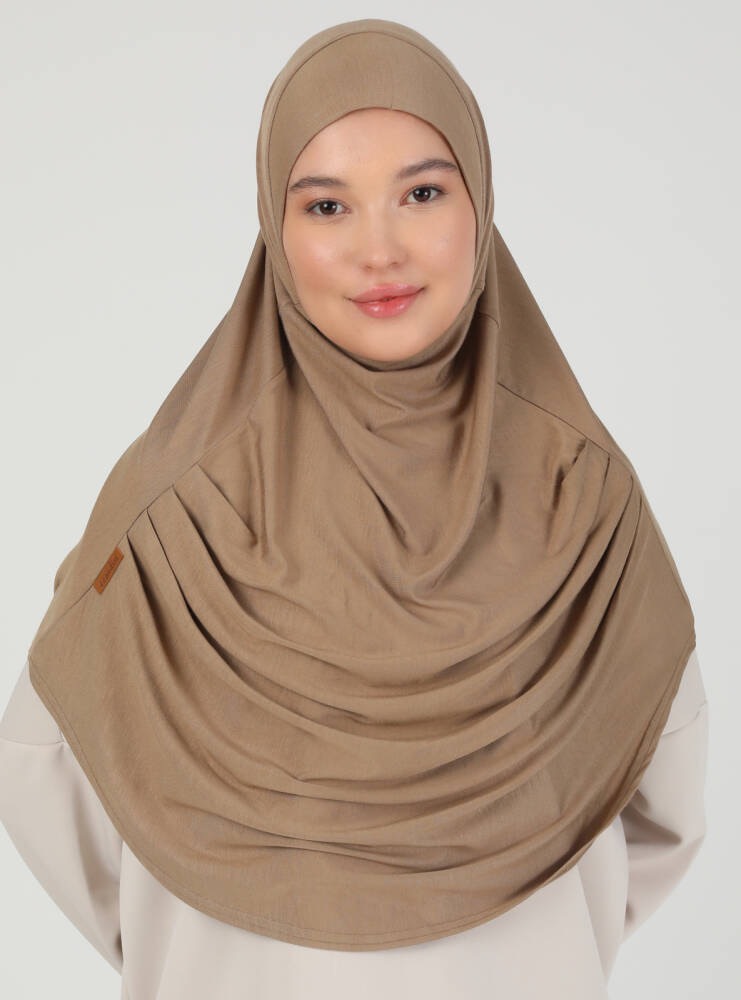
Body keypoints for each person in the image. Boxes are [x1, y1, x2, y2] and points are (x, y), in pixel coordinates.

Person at [0, 18, 708, 1000]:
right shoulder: (171, 506)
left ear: (480, 203)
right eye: (327, 205)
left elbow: (652, 774)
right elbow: (50, 755)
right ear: (274, 227)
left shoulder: (582, 495)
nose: (380, 250)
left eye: (421, 193)